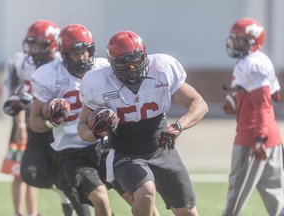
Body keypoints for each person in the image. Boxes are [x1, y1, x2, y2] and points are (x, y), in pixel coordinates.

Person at [77, 30, 208, 216]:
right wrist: (96, 133)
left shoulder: (163, 68)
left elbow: (199, 104)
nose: (132, 69)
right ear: (112, 65)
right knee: (146, 193)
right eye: (125, 65)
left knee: (188, 212)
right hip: (125, 152)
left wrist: (179, 126)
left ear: (144, 55)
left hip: (161, 148)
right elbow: (82, 126)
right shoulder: (98, 81)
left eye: (136, 62)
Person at [3, 19, 91, 216]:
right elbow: (24, 89)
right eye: (31, 43)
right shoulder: (25, 62)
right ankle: (62, 191)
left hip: (64, 131)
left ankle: (71, 198)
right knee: (30, 173)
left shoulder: (64, 64)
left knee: (70, 180)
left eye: (39, 44)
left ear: (52, 44)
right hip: (39, 125)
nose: (33, 49)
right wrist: (18, 101)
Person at [29, 23, 115, 216]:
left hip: (106, 144)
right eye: (76, 53)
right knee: (100, 199)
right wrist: (52, 121)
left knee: (138, 195)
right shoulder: (48, 75)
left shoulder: (104, 68)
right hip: (72, 150)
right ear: (64, 54)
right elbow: (35, 123)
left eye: (85, 51)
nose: (82, 57)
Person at [222, 18, 284, 216]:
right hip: (272, 136)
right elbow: (274, 95)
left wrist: (259, 139)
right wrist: (236, 97)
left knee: (235, 197)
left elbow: (264, 104)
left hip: (253, 138)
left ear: (252, 41)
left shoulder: (251, 64)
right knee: (276, 198)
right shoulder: (260, 60)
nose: (234, 43)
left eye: (239, 39)